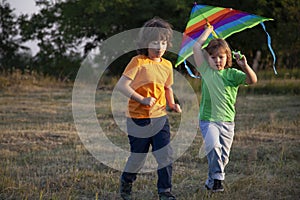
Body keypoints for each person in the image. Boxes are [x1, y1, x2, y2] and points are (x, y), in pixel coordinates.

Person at [115, 17, 181, 200]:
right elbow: (122, 86)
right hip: (138, 118)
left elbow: (167, 87)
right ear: (145, 43)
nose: (159, 47)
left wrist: (172, 103)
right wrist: (141, 99)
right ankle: (127, 181)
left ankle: (165, 192)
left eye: (163, 42)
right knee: (138, 157)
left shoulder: (167, 65)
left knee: (165, 155)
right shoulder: (138, 61)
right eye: (154, 42)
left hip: (160, 117)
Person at [193, 25, 257, 192]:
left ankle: (211, 180)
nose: (217, 60)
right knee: (213, 146)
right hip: (208, 119)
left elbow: (252, 80)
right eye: (213, 57)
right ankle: (218, 180)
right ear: (208, 59)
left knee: (223, 156)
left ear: (227, 57)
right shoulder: (206, 71)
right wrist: (207, 31)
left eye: (221, 57)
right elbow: (196, 47)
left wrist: (244, 66)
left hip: (227, 121)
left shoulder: (232, 74)